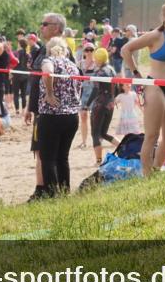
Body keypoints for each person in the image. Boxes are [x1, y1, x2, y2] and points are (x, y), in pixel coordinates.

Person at [121, 1, 165, 175]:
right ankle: (146, 172)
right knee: (152, 135)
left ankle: (156, 168)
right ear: (163, 17)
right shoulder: (155, 36)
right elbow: (126, 50)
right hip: (155, 86)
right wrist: (136, 74)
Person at [27, 37, 81, 197]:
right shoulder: (73, 66)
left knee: (48, 158)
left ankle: (52, 194)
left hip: (51, 115)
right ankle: (65, 192)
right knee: (62, 157)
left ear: (49, 49)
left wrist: (49, 93)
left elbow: (48, 72)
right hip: (71, 116)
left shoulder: (48, 60)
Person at [25, 15, 66, 202]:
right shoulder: (43, 48)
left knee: (46, 152)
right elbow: (35, 80)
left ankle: (44, 190)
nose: (41, 27)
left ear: (56, 28)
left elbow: (51, 76)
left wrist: (49, 97)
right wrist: (29, 107)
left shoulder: (58, 51)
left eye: (45, 24)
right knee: (41, 151)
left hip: (50, 110)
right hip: (40, 108)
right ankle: (44, 188)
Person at [88, 47, 118, 165]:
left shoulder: (99, 72)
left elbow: (95, 90)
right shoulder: (112, 70)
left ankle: (98, 161)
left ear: (98, 59)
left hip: (99, 105)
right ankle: (122, 147)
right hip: (110, 104)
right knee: (104, 133)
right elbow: (118, 87)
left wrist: (86, 104)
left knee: (95, 133)